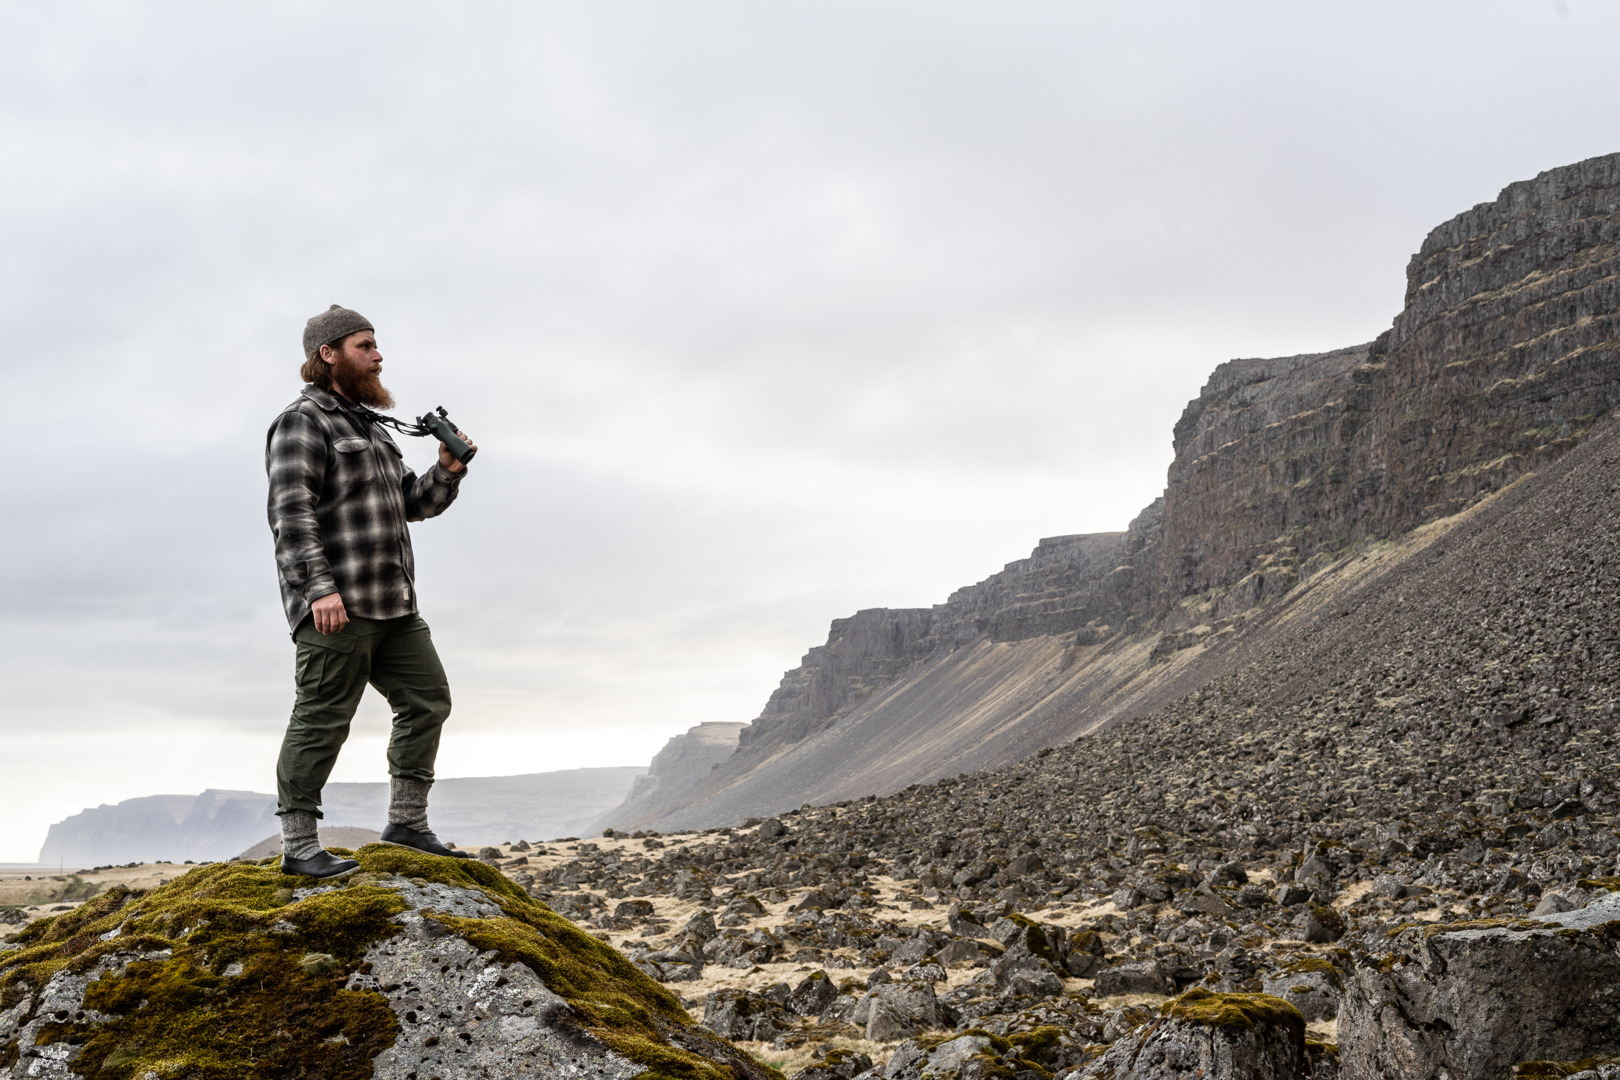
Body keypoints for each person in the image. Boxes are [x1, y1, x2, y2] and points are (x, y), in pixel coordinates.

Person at [265, 304, 478, 878]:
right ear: (328, 354)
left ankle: (406, 824)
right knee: (321, 719)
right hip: (338, 605)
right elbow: (291, 514)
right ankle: (299, 846)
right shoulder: (303, 421)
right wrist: (318, 591)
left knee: (428, 700)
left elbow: (411, 504)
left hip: (395, 605)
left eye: (376, 344)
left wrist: (447, 471)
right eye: (364, 345)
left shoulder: (372, 427)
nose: (378, 355)